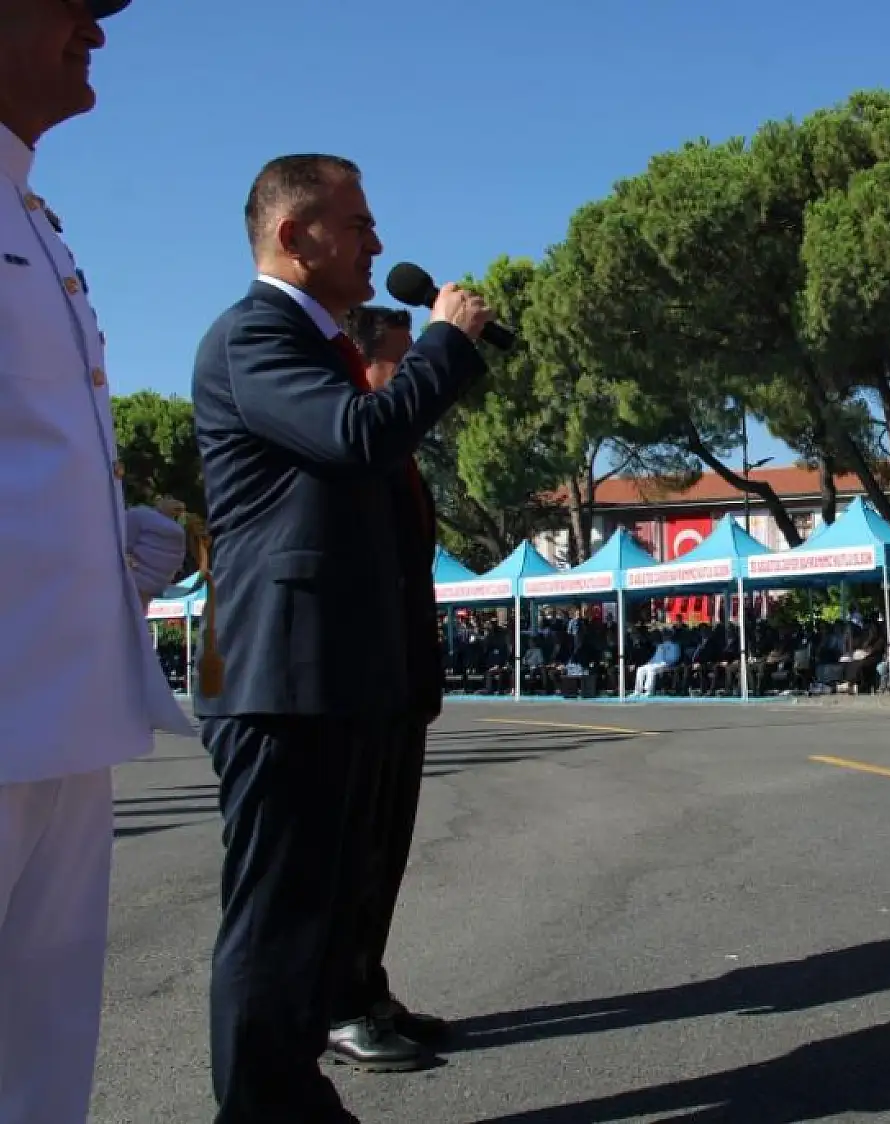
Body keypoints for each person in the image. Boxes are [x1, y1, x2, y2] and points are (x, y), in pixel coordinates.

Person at [193, 154, 492, 1122]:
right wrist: (443, 345)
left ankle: (293, 1093)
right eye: (356, 223)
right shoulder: (255, 335)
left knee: (314, 915)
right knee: (276, 920)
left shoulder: (312, 342)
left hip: (328, 674)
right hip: (278, 676)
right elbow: (359, 437)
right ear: (294, 236)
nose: (376, 242)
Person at [0, 5, 194, 1122]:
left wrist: (102, 539)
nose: (97, 34)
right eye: (70, 4)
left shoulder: (31, 211)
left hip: (62, 707)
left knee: (45, 1047)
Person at [325, 306, 452, 1071]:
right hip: (359, 682)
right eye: (401, 363)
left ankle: (367, 990)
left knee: (384, 853)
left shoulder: (397, 457)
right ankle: (339, 1007)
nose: (412, 376)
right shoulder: (354, 446)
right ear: (360, 364)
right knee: (353, 856)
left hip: (401, 681)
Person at [634, 630, 681, 696]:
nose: (664, 637)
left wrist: (666, 662)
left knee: (651, 669)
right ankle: (637, 691)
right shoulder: (660, 646)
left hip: (667, 664)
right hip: (655, 664)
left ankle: (649, 691)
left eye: (666, 635)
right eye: (664, 635)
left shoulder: (675, 646)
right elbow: (655, 657)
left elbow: (675, 658)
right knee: (640, 669)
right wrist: (649, 662)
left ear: (670, 636)